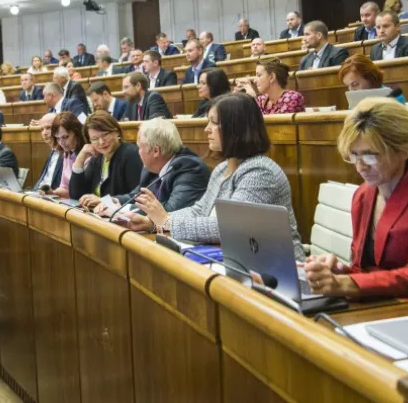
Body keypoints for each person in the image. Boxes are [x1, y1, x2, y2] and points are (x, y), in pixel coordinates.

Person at [303, 99, 408, 304]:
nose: (360, 167)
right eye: (353, 155)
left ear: (403, 150)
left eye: (370, 156)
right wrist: (339, 272)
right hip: (376, 304)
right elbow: (365, 269)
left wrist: (345, 283)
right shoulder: (363, 195)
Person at [134, 94, 305, 260]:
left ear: (235, 128)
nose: (206, 129)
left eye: (214, 123)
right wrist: (154, 222)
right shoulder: (222, 168)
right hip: (241, 260)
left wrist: (167, 222)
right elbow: (200, 210)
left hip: (279, 268)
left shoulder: (260, 172)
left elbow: (228, 227)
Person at [98, 118, 211, 222]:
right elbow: (136, 196)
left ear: (155, 151)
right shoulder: (152, 167)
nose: (138, 152)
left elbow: (169, 211)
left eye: (140, 147)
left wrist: (121, 210)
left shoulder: (190, 168)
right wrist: (112, 201)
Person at [70, 112, 143, 204]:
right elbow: (76, 195)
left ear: (116, 132)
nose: (101, 142)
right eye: (95, 139)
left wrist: (104, 201)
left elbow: (137, 196)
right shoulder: (98, 157)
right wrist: (80, 159)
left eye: (105, 135)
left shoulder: (131, 154)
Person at [236, 58, 305, 115]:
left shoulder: (293, 98)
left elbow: (277, 128)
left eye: (259, 75)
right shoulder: (261, 99)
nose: (254, 80)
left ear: (272, 77)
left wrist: (253, 99)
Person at [340, 55, 406, 104]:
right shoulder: (354, 100)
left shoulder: (396, 99)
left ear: (370, 78)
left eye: (355, 84)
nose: (351, 90)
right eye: (348, 86)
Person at [50, 112, 85, 198]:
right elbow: (65, 188)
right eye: (58, 138)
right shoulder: (67, 154)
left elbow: (82, 192)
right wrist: (52, 193)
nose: (61, 143)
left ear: (77, 133)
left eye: (65, 137)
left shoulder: (88, 155)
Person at [31, 114, 63, 191]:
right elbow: (42, 181)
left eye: (48, 128)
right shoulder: (52, 153)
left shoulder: (67, 154)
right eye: (42, 129)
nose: (44, 133)